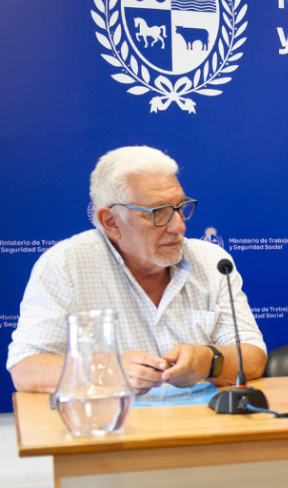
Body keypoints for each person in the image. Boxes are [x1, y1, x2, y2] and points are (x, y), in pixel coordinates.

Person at [7, 146, 267, 394]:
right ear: (110, 222)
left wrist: (209, 360)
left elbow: (254, 357)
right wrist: (109, 371)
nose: (179, 227)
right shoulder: (65, 265)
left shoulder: (212, 261)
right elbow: (26, 368)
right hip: (111, 428)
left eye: (180, 207)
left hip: (201, 424)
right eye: (159, 213)